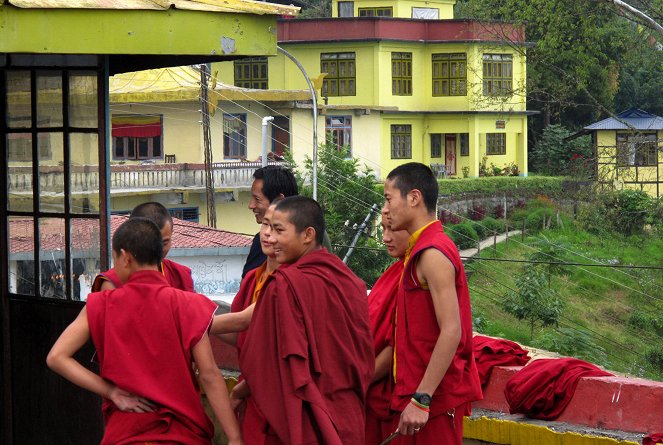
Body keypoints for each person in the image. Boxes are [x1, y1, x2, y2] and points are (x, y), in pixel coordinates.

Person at [46, 217, 242, 445]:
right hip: (182, 434)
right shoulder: (188, 304)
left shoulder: (102, 304)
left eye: (115, 258)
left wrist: (112, 392)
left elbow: (56, 357)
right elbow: (209, 375)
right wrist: (235, 437)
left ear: (125, 257)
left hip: (127, 431)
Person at [240, 196, 374, 445]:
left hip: (301, 420)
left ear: (308, 235)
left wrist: (237, 393)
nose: (272, 238)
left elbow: (266, 361)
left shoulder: (284, 286)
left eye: (280, 230)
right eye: (268, 228)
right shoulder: (350, 282)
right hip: (348, 416)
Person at [381, 162, 482, 444]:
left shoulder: (433, 252)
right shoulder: (418, 249)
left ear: (414, 198)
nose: (386, 209)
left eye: (389, 198)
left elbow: (452, 330)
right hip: (414, 392)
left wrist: (422, 398)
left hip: (431, 400)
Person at [210, 201, 282, 445]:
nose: (267, 233)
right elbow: (242, 336)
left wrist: (197, 322)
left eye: (277, 228)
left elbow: (246, 318)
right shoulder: (255, 276)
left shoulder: (292, 281)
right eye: (264, 225)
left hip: (279, 391)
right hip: (252, 388)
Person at [365, 213, 410, 445]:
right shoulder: (394, 271)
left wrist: (358, 382)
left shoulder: (413, 275)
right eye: (383, 229)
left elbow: (397, 345)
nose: (385, 238)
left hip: (386, 392)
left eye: (392, 229)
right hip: (370, 391)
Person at [91, 201, 194, 292]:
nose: (157, 249)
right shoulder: (111, 283)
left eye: (165, 242)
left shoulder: (180, 275)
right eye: (150, 243)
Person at [243, 165, 298, 278]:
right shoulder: (311, 234)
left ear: (279, 201)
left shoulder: (266, 240)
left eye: (257, 199)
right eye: (265, 225)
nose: (251, 205)